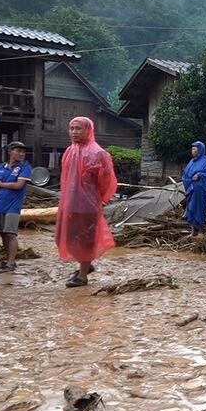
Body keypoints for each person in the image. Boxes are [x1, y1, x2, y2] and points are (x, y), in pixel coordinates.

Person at [56, 117, 117, 288]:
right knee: (65, 237)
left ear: (87, 130)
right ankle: (86, 264)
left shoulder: (98, 153)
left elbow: (107, 180)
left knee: (85, 240)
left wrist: (100, 199)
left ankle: (82, 276)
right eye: (72, 128)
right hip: (70, 203)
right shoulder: (69, 151)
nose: (74, 132)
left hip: (88, 205)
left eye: (78, 129)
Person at [0, 141, 32, 272]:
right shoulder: (0, 167)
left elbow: (18, 186)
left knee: (11, 234)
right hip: (0, 205)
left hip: (13, 206)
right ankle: (8, 261)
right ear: (10, 152)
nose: (21, 154)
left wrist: (1, 184)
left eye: (22, 151)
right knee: (3, 234)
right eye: (18, 151)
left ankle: (11, 263)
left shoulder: (25, 168)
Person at [182, 141, 206, 237]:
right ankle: (192, 231)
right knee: (191, 208)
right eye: (192, 149)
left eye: (194, 149)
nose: (192, 151)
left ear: (200, 150)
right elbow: (185, 175)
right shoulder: (191, 162)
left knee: (200, 209)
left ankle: (200, 231)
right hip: (191, 190)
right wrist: (188, 179)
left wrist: (200, 175)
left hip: (200, 191)